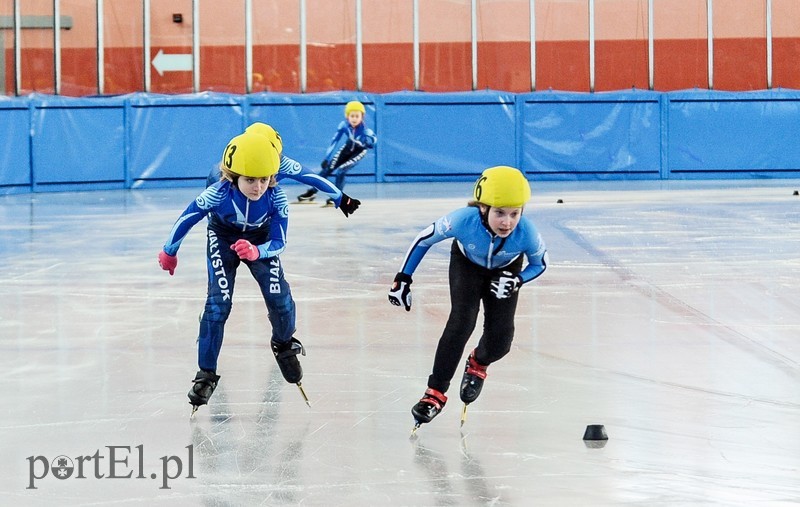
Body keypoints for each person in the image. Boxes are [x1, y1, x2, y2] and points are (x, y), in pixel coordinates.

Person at [158, 131, 308, 414]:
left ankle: (283, 342)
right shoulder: (218, 192)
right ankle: (206, 374)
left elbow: (279, 242)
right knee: (218, 304)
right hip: (223, 236)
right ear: (233, 176)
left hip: (260, 241)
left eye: (264, 179)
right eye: (250, 180)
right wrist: (169, 251)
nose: (258, 187)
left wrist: (257, 251)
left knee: (279, 298)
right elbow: (187, 217)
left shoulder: (277, 197)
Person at [388, 166, 548, 430]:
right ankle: (435, 392)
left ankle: (478, 363)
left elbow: (540, 263)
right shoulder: (463, 220)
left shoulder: (527, 232)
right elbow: (423, 239)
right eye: (499, 213)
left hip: (506, 272)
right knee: (461, 322)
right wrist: (403, 277)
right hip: (467, 265)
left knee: (501, 341)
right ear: (483, 208)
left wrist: (518, 280)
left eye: (514, 213)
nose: (507, 222)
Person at [206, 122, 361, 217]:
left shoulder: (281, 162)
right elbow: (313, 179)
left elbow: (313, 178)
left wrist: (341, 198)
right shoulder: (225, 173)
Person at [296, 100, 377, 206]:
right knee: (327, 169)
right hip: (347, 148)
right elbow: (334, 141)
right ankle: (311, 192)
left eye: (357, 116)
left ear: (362, 117)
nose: (354, 119)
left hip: (359, 151)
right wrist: (327, 158)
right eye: (352, 116)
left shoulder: (366, 131)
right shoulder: (344, 125)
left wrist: (369, 144)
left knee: (341, 171)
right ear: (347, 116)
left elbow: (374, 141)